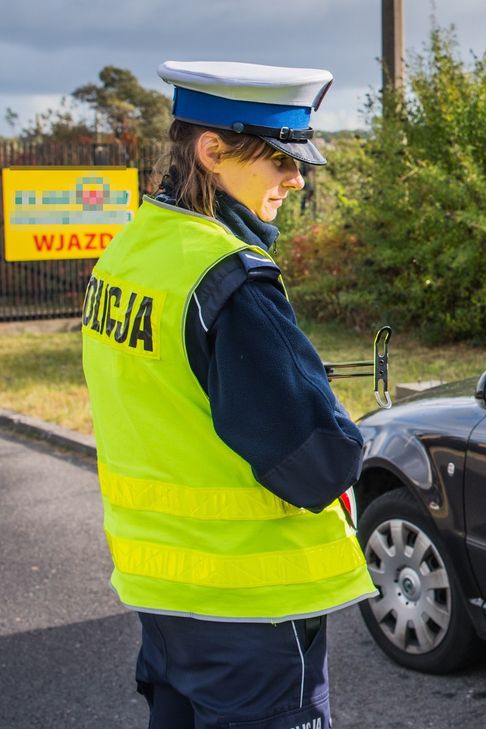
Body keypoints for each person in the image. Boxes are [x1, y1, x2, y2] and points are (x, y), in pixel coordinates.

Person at [80, 61, 375, 728]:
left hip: (162, 595)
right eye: (279, 160)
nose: (297, 180)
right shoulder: (228, 277)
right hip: (251, 608)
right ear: (212, 151)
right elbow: (318, 462)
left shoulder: (128, 252)